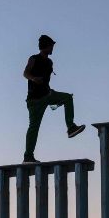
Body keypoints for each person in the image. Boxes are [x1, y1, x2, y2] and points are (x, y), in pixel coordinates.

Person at [22, 34, 86, 163]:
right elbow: (25, 73)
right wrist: (34, 78)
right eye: (51, 46)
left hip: (47, 95)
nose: (53, 48)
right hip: (35, 100)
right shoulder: (33, 58)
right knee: (34, 127)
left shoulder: (50, 62)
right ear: (45, 46)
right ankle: (28, 157)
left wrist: (51, 93)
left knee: (67, 98)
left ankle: (71, 127)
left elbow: (46, 82)